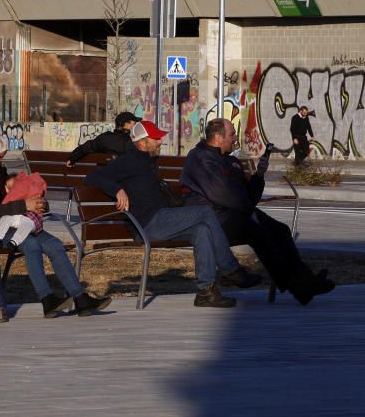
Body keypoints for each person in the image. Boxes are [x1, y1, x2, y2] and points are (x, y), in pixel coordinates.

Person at [85, 120, 262, 308]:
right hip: (146, 224)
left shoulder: (148, 161)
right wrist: (117, 189)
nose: (161, 142)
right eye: (156, 139)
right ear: (143, 142)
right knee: (205, 212)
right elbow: (92, 177)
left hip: (161, 218)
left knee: (201, 230)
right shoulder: (128, 161)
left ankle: (206, 292)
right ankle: (230, 269)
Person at [181, 118, 336, 305]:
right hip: (213, 219)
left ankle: (305, 282)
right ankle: (300, 287)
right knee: (258, 232)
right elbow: (220, 194)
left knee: (280, 230)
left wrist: (258, 176)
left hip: (236, 213)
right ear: (217, 137)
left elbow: (248, 196)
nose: (235, 139)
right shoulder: (200, 158)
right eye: (231, 135)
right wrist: (248, 210)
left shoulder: (230, 161)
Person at [0, 130, 111, 318]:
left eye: (1, 158)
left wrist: (39, 203)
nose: (0, 162)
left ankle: (80, 299)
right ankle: (47, 299)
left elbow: (14, 195)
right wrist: (25, 204)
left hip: (18, 222)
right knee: (31, 245)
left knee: (55, 245)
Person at [65, 111, 139, 166]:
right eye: (134, 123)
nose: (135, 126)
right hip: (122, 182)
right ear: (125, 124)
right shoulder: (129, 142)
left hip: (104, 179)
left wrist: (72, 159)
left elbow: (87, 147)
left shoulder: (104, 138)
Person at [0, 171, 47, 247]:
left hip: (26, 222)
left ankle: (14, 242)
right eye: (10, 188)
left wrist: (42, 204)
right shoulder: (2, 199)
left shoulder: (27, 194)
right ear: (5, 187)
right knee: (32, 245)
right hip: (10, 229)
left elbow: (40, 200)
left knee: (28, 225)